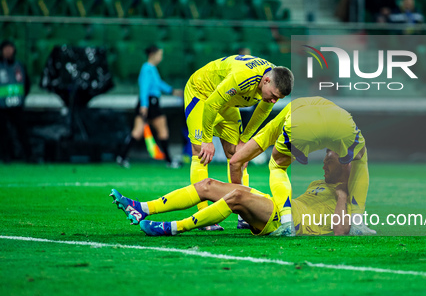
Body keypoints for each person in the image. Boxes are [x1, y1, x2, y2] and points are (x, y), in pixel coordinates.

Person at [109, 149, 353, 236]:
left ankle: (172, 227)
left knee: (235, 198)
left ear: (343, 168)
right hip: (276, 207)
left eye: (328, 162)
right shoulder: (315, 184)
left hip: (282, 222)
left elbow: (341, 231)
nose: (323, 166)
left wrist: (342, 194)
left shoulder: (348, 197)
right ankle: (143, 209)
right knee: (208, 185)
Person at [229, 97, 374, 236]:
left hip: (302, 123)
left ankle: (286, 222)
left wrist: (241, 159)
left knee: (277, 166)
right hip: (342, 122)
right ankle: (357, 222)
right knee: (360, 160)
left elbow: (236, 161)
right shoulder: (324, 106)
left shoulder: (282, 117)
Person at [184, 55, 293, 228]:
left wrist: (244, 140)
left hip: (225, 102)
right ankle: (202, 215)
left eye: (277, 99)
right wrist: (207, 140)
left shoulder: (273, 81)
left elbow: (262, 112)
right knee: (200, 152)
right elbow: (212, 104)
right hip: (202, 94)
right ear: (265, 81)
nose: (274, 101)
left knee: (237, 154)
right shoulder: (243, 77)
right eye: (273, 96)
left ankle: (243, 214)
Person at [117, 45, 183, 169]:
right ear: (152, 55)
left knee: (137, 132)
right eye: (159, 55)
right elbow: (144, 88)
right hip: (150, 103)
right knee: (162, 131)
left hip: (148, 103)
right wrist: (144, 105)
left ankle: (122, 156)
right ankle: (169, 161)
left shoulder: (151, 68)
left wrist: (171, 90)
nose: (161, 58)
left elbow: (158, 84)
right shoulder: (147, 69)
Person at [0, 40, 33, 163]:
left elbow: (27, 84)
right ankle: (6, 156)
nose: (8, 51)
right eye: (5, 48)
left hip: (17, 105)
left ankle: (29, 156)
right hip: (2, 107)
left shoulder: (19, 65)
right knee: (3, 133)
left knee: (22, 132)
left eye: (10, 48)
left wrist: (22, 98)